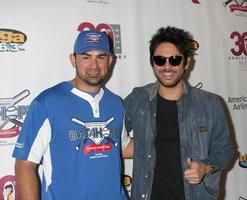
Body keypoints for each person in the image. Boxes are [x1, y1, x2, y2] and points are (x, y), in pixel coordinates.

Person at [12, 30, 133, 200]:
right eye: (86, 57)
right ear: (73, 59)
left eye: (101, 57)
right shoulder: (47, 103)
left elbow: (124, 146)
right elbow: (25, 164)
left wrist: (170, 142)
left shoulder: (115, 103)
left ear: (110, 60)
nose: (94, 65)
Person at [124, 26, 234, 200]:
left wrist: (205, 168)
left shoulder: (210, 103)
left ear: (187, 62)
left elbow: (224, 150)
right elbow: (112, 132)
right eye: (160, 60)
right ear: (152, 62)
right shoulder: (138, 98)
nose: (167, 66)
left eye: (175, 60)